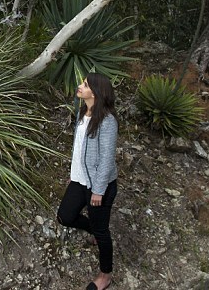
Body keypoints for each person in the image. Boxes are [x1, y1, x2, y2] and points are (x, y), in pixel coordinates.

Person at [57, 73, 118, 290]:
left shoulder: (107, 121)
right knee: (65, 216)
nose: (79, 86)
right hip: (80, 180)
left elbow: (107, 160)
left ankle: (105, 275)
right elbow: (80, 148)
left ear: (96, 92)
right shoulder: (83, 113)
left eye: (84, 84)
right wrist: (74, 172)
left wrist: (99, 191)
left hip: (99, 186)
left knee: (102, 231)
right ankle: (92, 229)